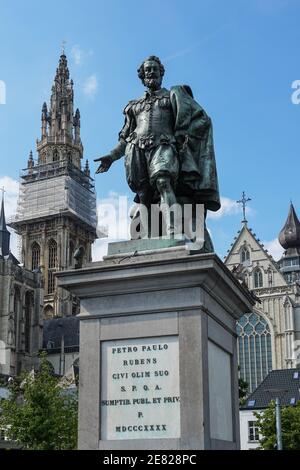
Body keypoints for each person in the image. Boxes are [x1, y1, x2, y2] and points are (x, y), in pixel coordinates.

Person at [95, 56, 220, 242]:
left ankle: (173, 231)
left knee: (163, 182)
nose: (151, 72)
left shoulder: (173, 96)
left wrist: (183, 135)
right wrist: (112, 156)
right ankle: (146, 237)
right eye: (147, 70)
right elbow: (126, 136)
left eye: (154, 69)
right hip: (135, 148)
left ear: (161, 73)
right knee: (143, 193)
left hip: (164, 144)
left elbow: (203, 119)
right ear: (142, 76)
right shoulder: (133, 105)